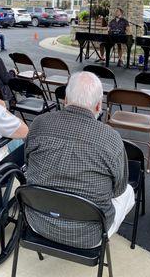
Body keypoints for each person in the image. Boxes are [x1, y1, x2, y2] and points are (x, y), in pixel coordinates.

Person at [24, 71, 134, 248]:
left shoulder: (39, 123)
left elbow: (28, 164)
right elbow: (118, 189)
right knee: (128, 192)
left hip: (37, 221)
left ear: (65, 100)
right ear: (99, 106)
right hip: (88, 236)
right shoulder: (111, 139)